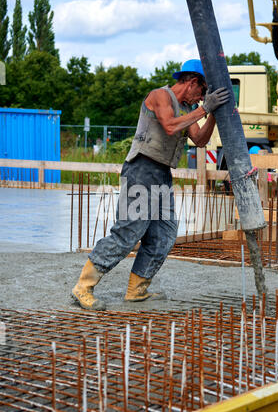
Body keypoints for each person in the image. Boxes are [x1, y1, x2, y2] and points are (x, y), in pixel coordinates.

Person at [71, 59, 230, 310]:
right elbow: (168, 126)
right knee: (129, 231)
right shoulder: (161, 96)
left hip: (161, 174)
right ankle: (83, 286)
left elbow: (199, 139)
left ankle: (137, 289)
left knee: (164, 233)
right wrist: (203, 110)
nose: (201, 98)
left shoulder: (187, 108)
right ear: (191, 82)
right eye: (202, 90)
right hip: (141, 170)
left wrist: (213, 114)